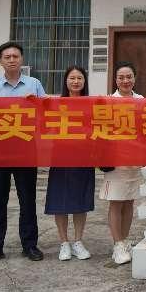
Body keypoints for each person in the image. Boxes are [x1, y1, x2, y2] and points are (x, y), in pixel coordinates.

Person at [0, 41, 46, 265]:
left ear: (22, 59)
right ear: (0, 61)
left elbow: (47, 114)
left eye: (16, 56)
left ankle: (30, 245)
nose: (12, 60)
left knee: (27, 200)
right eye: (7, 57)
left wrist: (36, 105)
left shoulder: (34, 85)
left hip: (26, 148)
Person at [45, 66, 95, 262]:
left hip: (83, 158)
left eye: (79, 78)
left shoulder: (91, 104)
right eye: (72, 78)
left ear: (84, 81)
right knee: (60, 201)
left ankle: (78, 241)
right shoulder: (56, 104)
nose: (75, 81)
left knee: (80, 201)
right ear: (66, 81)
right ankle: (64, 242)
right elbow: (40, 119)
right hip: (60, 158)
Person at [100, 61, 144, 265]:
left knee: (129, 201)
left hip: (135, 161)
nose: (125, 81)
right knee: (116, 202)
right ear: (115, 80)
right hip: (116, 161)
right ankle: (117, 244)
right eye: (121, 77)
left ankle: (124, 241)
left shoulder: (141, 100)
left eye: (129, 77)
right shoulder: (109, 101)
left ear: (134, 78)